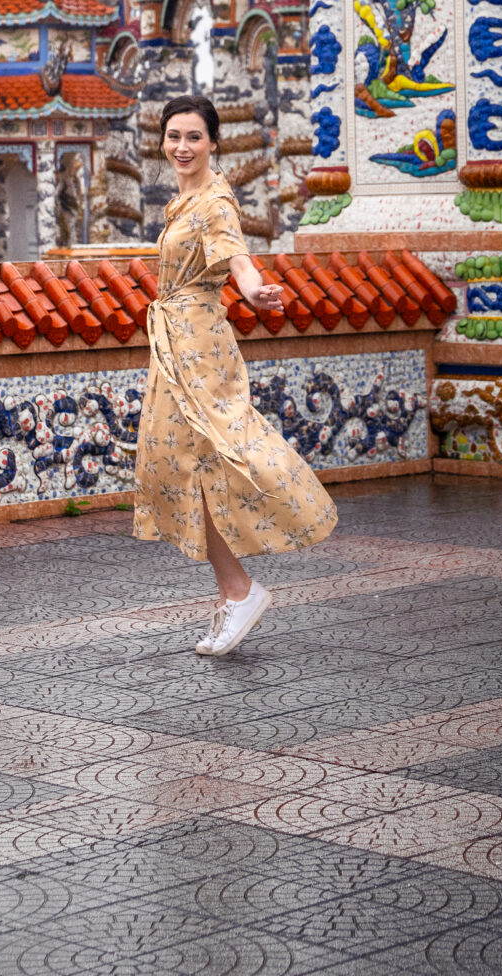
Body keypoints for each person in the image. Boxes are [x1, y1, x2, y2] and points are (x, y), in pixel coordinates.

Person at [133, 95, 337, 657]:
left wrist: (253, 291)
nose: (182, 146)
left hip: (198, 345)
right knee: (183, 466)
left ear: (214, 143)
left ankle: (242, 586)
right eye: (174, 136)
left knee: (218, 454)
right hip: (177, 340)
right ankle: (235, 590)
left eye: (194, 137)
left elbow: (238, 259)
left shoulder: (216, 201)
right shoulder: (185, 198)